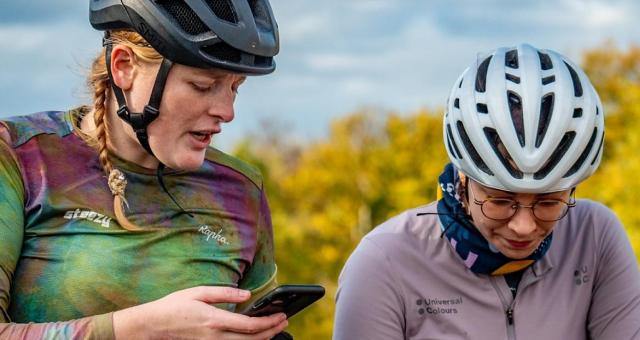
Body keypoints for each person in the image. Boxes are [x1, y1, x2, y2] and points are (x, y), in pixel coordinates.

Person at [0, 1, 290, 339]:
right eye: (202, 85)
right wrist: (142, 329)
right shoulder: (20, 158)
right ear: (124, 67)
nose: (227, 111)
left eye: (234, 87)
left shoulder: (241, 190)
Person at [333, 44, 640, 339]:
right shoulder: (383, 262)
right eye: (499, 200)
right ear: (464, 179)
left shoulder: (594, 237)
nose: (524, 226)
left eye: (548, 202)